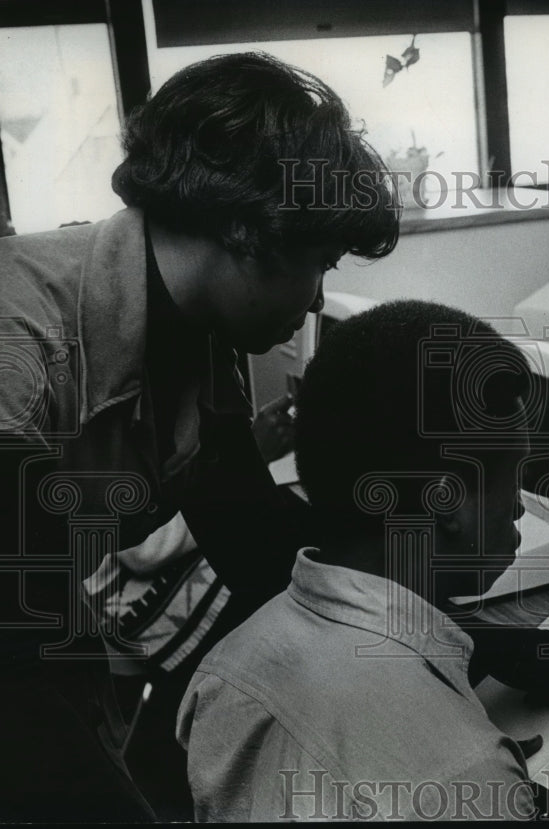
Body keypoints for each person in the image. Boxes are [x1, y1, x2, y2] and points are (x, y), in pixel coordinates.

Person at [0, 52, 397, 822]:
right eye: (318, 262)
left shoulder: (198, 330)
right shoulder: (26, 341)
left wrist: (445, 631)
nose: (317, 297)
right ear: (247, 229)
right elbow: (14, 665)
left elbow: (250, 536)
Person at [178, 300, 549, 821]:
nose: (517, 504)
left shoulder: (225, 668)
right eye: (510, 476)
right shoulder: (468, 772)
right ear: (446, 502)